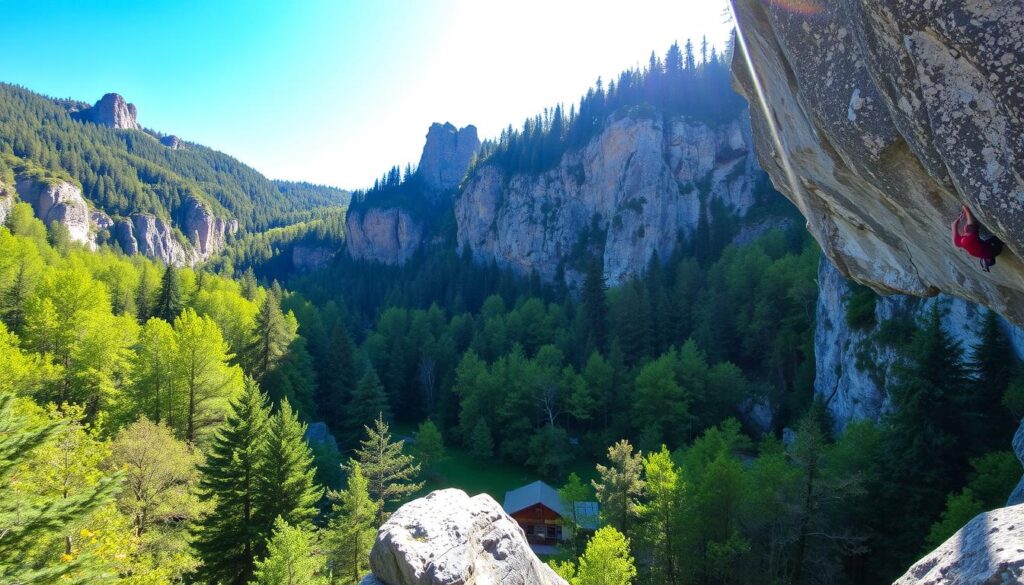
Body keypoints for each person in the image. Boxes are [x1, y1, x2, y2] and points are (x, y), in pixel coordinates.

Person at [951, 205, 1003, 271]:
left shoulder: (958, 242)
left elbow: (953, 225)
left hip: (983, 251)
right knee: (993, 240)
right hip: (995, 249)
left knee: (986, 252)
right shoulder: (970, 238)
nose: (965, 225)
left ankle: (987, 261)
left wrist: (959, 218)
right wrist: (966, 210)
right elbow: (965, 221)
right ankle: (988, 259)